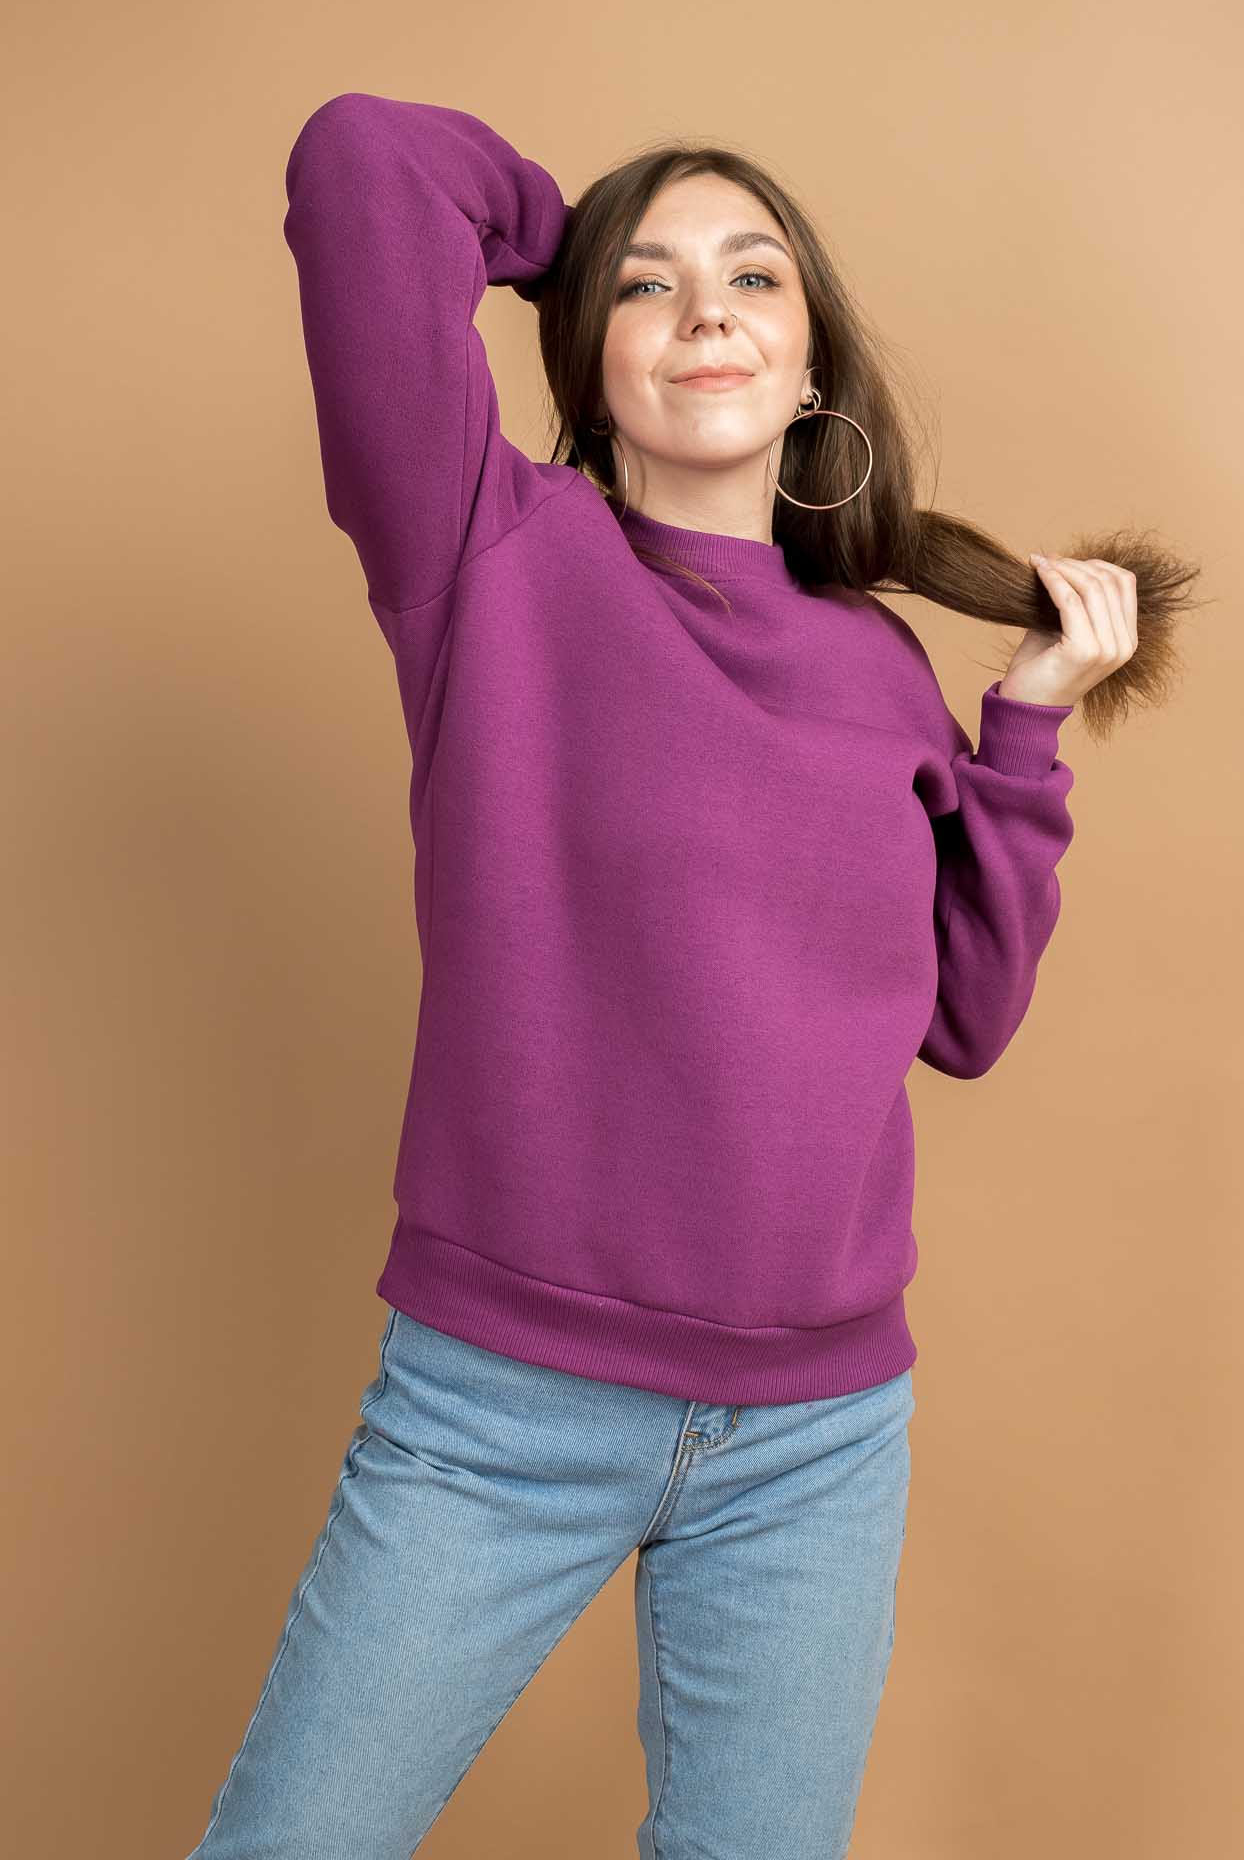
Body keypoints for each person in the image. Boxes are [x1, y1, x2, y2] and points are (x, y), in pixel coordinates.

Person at [184, 90, 1188, 1860]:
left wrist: (1024, 735)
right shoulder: (490, 554)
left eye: (751, 277)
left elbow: (961, 1021)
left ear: (811, 365)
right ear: (585, 356)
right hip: (500, 1412)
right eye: (648, 287)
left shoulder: (878, 668)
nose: (706, 311)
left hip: (818, 1439)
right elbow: (363, 159)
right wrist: (575, 244)